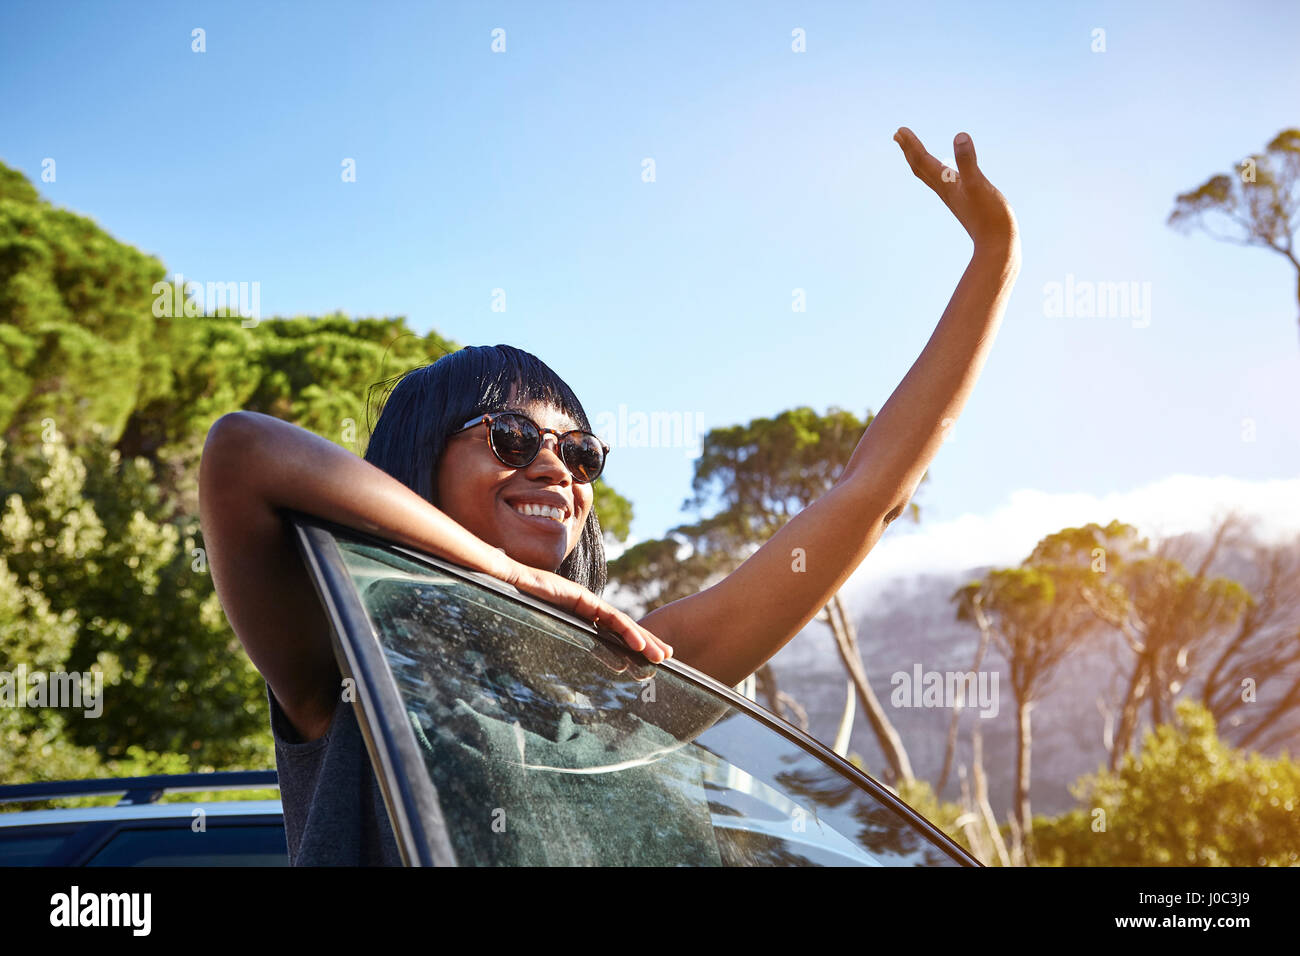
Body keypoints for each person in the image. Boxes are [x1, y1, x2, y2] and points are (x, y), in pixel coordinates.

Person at [198, 127, 1021, 865]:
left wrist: (995, 257)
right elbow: (243, 453)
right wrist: (501, 574)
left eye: (580, 453)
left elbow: (867, 495)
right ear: (420, 459)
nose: (556, 469)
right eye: (511, 439)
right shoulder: (350, 659)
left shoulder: (628, 679)